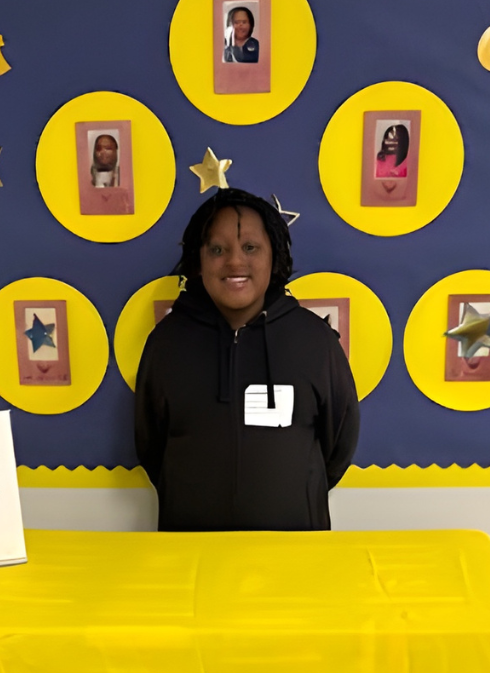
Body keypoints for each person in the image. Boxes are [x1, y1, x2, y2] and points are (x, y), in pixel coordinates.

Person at [135, 188, 360, 532]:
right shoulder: (166, 343)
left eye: (250, 248)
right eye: (217, 249)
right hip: (189, 559)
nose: (235, 262)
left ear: (274, 256)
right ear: (199, 260)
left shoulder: (315, 342)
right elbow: (151, 446)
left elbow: (338, 445)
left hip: (295, 559)